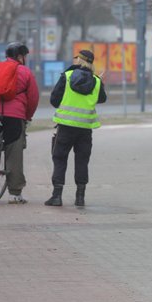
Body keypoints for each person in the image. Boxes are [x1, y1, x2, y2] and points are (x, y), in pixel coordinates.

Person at [0, 42, 40, 204]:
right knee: (13, 152)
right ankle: (15, 193)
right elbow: (33, 98)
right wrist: (27, 116)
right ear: (20, 56)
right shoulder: (25, 72)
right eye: (24, 56)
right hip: (14, 117)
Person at [44, 49, 106, 208]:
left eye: (76, 58)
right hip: (85, 128)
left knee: (59, 158)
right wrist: (98, 80)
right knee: (82, 161)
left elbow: (54, 100)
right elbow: (102, 99)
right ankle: (80, 198)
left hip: (65, 127)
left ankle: (56, 197)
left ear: (79, 60)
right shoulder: (96, 81)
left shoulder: (67, 76)